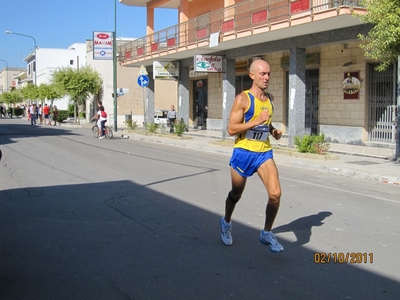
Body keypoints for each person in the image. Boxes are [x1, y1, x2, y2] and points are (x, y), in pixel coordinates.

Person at [220, 59, 284, 253]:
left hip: (263, 152)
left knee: (275, 194)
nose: (266, 77)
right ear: (252, 76)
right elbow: (231, 129)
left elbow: (266, 123)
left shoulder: (270, 98)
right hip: (243, 152)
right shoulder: (243, 99)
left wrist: (273, 131)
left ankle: (266, 233)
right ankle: (226, 222)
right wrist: (255, 121)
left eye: (268, 74)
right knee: (236, 194)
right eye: (263, 74)